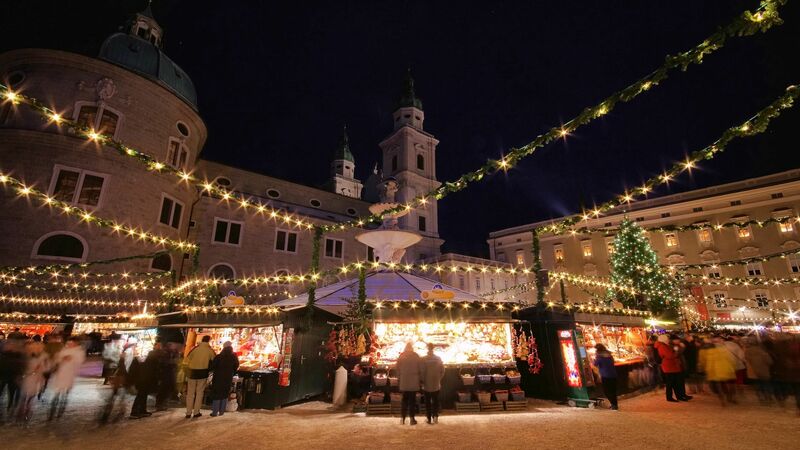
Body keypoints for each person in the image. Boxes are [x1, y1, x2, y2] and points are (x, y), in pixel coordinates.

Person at [47, 337, 86, 420]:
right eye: (69, 343)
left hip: (69, 374)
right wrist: (60, 359)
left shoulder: (79, 352)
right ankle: (52, 411)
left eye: (71, 343)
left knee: (64, 394)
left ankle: (61, 409)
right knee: (56, 393)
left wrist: (71, 359)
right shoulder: (64, 350)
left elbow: (79, 362)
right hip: (60, 373)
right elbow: (57, 359)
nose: (69, 344)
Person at [17, 340, 50, 424]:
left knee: (30, 394)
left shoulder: (43, 357)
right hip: (28, 377)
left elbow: (46, 367)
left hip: (35, 378)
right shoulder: (26, 356)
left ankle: (26, 411)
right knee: (25, 394)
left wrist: (40, 369)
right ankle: (23, 411)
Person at [129, 340, 164, 419]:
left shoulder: (151, 356)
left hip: (146, 378)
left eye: (160, 345)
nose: (160, 346)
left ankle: (142, 410)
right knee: (141, 394)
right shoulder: (151, 355)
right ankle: (135, 412)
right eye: (158, 345)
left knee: (143, 394)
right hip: (144, 378)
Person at [184, 335, 215, 419]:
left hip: (192, 372)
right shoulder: (209, 350)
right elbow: (214, 360)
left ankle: (188, 412)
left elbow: (187, 359)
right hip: (202, 373)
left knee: (190, 393)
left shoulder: (195, 349)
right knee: (199, 393)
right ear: (209, 341)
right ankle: (196, 412)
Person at [699, 335, 736, 406]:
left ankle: (723, 400)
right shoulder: (724, 348)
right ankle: (729, 398)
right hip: (725, 369)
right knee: (728, 384)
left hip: (713, 370)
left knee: (719, 386)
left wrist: (705, 369)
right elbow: (730, 359)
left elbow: (703, 361)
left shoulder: (705, 350)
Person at [655, 334, 690, 402]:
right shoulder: (662, 346)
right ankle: (670, 397)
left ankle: (679, 396)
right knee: (670, 383)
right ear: (663, 340)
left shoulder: (665, 345)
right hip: (669, 366)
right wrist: (676, 352)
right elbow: (670, 356)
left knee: (674, 383)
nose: (668, 340)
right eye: (667, 339)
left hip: (672, 366)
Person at [210, 341, 239, 417]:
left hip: (218, 377)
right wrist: (232, 371)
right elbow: (236, 366)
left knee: (217, 393)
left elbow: (213, 366)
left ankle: (215, 412)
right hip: (228, 377)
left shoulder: (219, 356)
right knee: (225, 393)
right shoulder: (233, 357)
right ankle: (222, 411)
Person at [395, 342, 421, 425]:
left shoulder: (401, 356)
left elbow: (397, 368)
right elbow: (420, 368)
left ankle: (402, 419)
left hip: (404, 382)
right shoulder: (416, 356)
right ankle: (412, 419)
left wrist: (399, 378)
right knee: (412, 401)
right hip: (413, 382)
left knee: (404, 400)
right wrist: (420, 379)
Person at [0, 339, 24, 420]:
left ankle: (10, 408)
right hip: (6, 377)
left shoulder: (15, 355)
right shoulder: (5, 355)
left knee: (12, 394)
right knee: (10, 394)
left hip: (11, 377)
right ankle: (10, 408)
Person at [420, 343, 444, 424]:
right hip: (436, 384)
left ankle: (429, 418)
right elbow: (443, 371)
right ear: (433, 348)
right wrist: (438, 379)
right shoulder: (438, 358)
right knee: (435, 401)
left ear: (427, 348)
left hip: (427, 384)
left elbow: (422, 372)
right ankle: (436, 417)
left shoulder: (423, 359)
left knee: (427, 402)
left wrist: (422, 381)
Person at [744, 338, 773, 403]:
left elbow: (746, 360)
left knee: (757, 385)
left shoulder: (747, 351)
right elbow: (769, 361)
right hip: (763, 370)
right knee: (766, 384)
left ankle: (760, 397)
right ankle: (768, 397)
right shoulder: (762, 351)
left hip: (753, 371)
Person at [593, 344, 619, 410]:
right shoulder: (610, 356)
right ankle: (615, 405)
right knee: (613, 391)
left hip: (606, 376)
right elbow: (613, 362)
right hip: (613, 375)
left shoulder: (599, 358)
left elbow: (595, 364)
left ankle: (613, 405)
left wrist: (594, 358)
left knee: (607, 391)